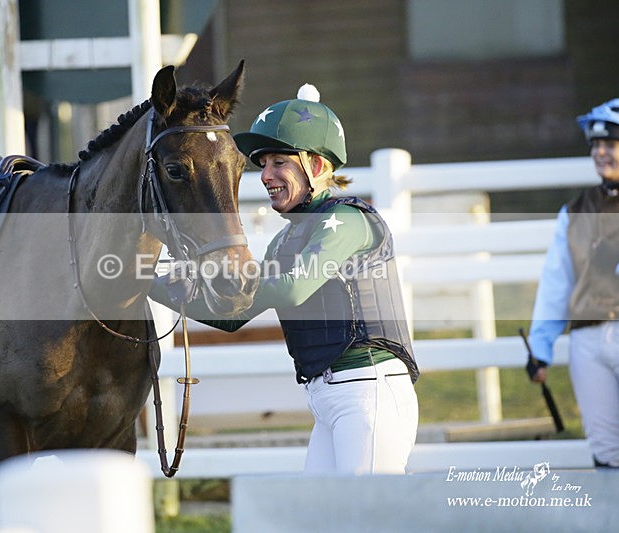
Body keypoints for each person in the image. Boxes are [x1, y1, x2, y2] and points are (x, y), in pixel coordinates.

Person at [150, 84, 419, 474]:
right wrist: (147, 285)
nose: (267, 176)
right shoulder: (284, 239)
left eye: (279, 162)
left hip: (369, 390)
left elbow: (292, 288)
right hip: (329, 399)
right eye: (264, 165)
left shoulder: (347, 221)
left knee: (364, 519)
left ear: (315, 165)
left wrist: (217, 276)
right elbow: (234, 315)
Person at [527, 97, 619, 468]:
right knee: (607, 451)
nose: (600, 152)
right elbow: (556, 281)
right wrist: (540, 345)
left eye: (610, 144)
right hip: (587, 339)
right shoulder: (575, 210)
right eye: (595, 145)